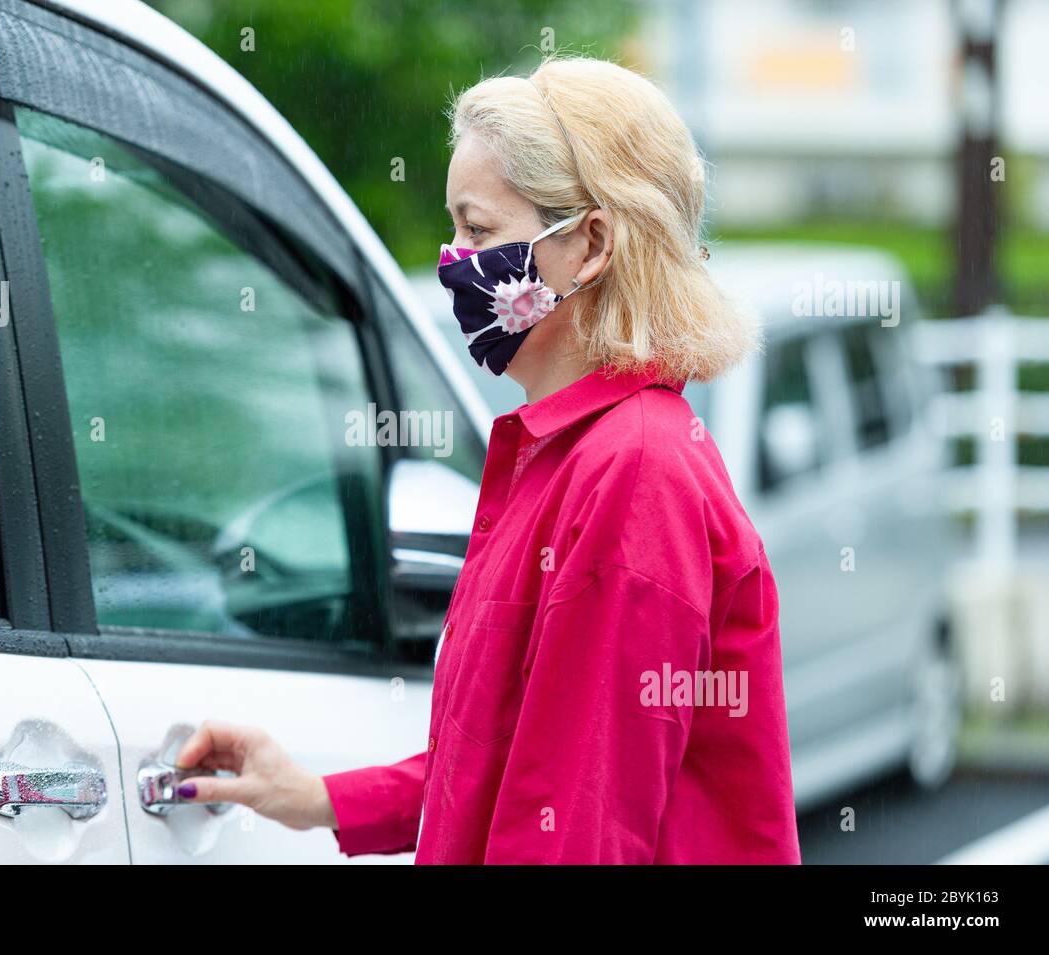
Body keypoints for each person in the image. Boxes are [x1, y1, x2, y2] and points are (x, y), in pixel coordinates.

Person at [169, 53, 801, 864]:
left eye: (478, 229)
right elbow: (510, 771)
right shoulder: (582, 454)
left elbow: (573, 828)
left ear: (591, 245)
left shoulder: (633, 471)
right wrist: (316, 796)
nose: (453, 258)